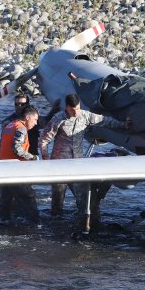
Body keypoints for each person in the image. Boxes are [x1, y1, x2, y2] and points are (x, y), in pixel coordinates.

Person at [38, 94, 124, 227]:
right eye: (73, 110)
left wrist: (123, 125)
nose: (76, 112)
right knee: (57, 200)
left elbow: (104, 121)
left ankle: (85, 223)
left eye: (78, 108)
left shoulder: (85, 116)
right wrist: (45, 159)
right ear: (66, 107)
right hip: (59, 165)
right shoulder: (58, 119)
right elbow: (44, 140)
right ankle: (55, 226)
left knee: (83, 198)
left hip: (77, 165)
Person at [0, 104, 40, 224]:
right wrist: (33, 157)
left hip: (4, 169)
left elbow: (0, 148)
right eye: (35, 120)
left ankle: (0, 225)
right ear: (27, 117)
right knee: (29, 198)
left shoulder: (8, 125)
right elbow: (16, 148)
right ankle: (35, 225)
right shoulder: (21, 128)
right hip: (15, 170)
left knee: (5, 202)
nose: (36, 123)